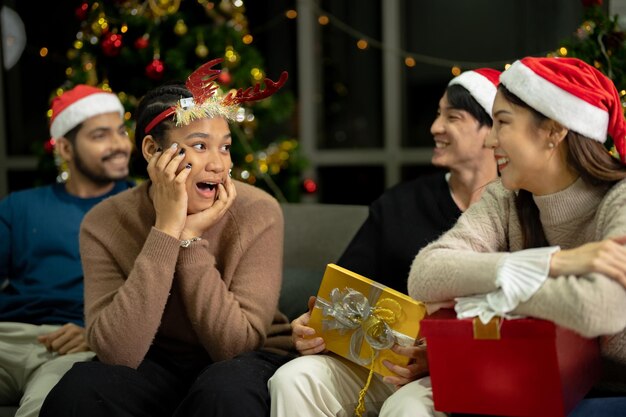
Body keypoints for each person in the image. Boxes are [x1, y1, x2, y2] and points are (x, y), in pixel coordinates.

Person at [40, 59, 293, 417]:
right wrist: (167, 230)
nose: (219, 165)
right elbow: (118, 353)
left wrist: (190, 242)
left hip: (243, 362)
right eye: (200, 146)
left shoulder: (257, 211)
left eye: (225, 147)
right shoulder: (104, 222)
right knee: (80, 391)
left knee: (225, 392)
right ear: (151, 151)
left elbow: (235, 346)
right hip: (151, 359)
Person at [269, 68, 501, 417]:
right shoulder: (400, 204)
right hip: (381, 364)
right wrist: (315, 326)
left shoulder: (517, 209)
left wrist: (436, 357)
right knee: (293, 378)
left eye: (452, 117)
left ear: (493, 131)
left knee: (407, 409)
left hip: (463, 368)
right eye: (438, 114)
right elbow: (343, 289)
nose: (435, 127)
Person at [409, 57, 626, 415]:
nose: (491, 139)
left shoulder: (618, 200)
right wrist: (550, 263)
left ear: (554, 131)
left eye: (502, 122)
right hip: (542, 386)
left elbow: (597, 308)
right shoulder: (505, 198)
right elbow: (426, 273)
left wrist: (481, 298)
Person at [0, 84, 133, 417]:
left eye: (120, 131)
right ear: (66, 148)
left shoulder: (144, 209)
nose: (119, 145)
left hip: (78, 345)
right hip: (9, 335)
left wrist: (101, 335)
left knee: (50, 404)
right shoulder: (21, 207)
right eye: (100, 135)